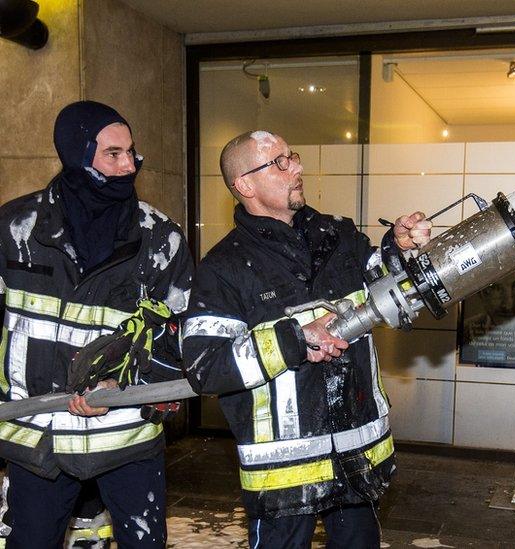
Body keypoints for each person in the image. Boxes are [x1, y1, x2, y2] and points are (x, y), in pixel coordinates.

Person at [181, 130, 431, 548]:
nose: (296, 168)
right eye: (279, 163)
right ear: (245, 185)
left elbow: (388, 286)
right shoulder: (223, 268)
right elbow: (207, 366)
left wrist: (400, 249)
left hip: (356, 455)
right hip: (284, 473)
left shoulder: (339, 236)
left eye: (292, 156)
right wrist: (295, 339)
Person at [0, 101, 193, 548]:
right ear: (77, 154)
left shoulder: (160, 238)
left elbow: (178, 337)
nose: (128, 165)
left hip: (126, 438)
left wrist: (120, 384)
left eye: (132, 153)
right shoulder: (15, 229)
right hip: (37, 439)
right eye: (113, 154)